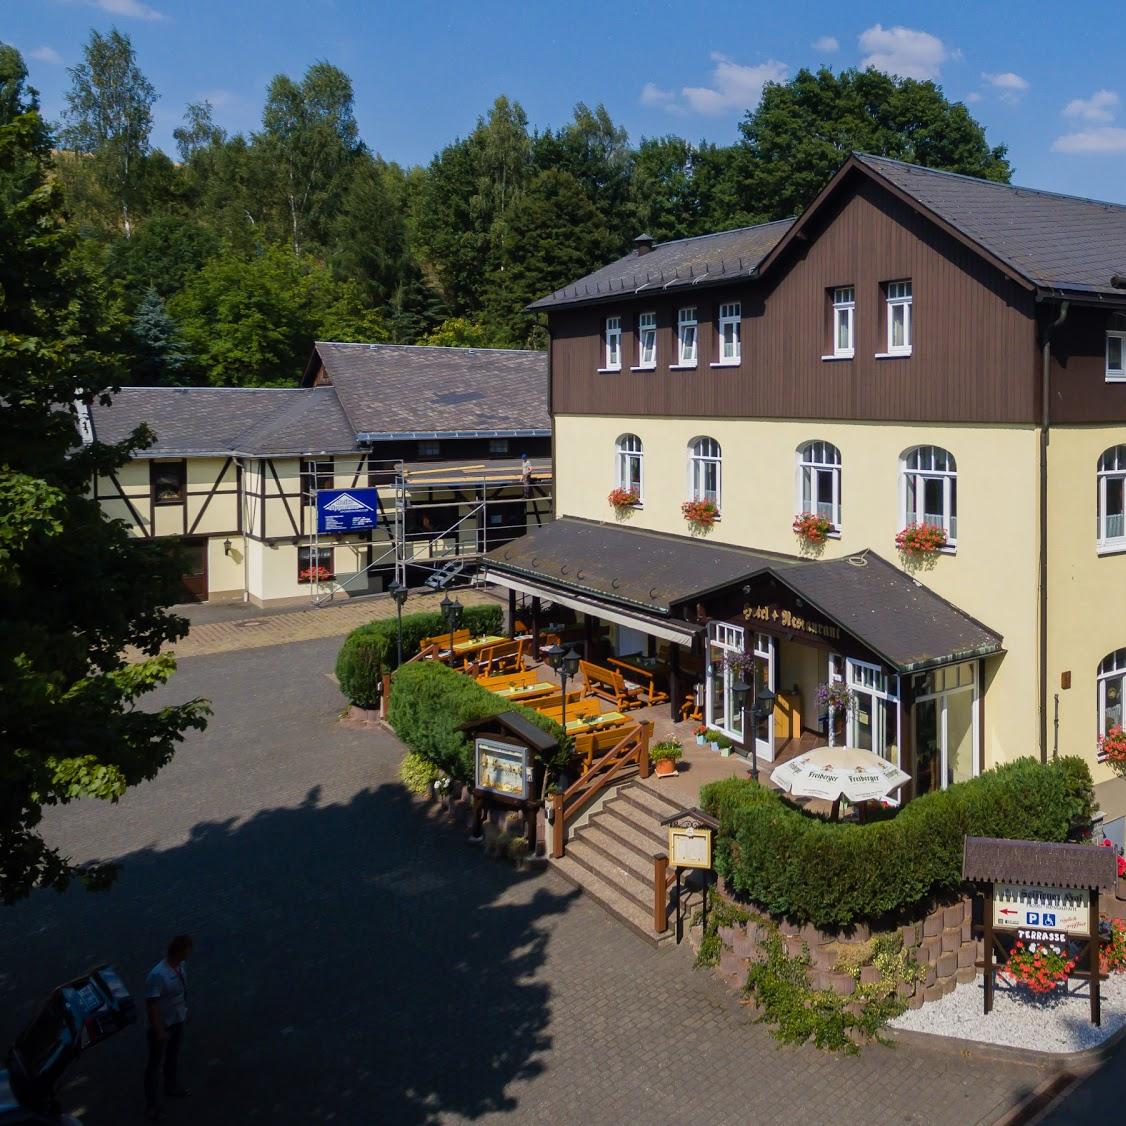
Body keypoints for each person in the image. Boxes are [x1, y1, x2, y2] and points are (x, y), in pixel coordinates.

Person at [144, 934, 192, 1120]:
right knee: (154, 1065)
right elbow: (152, 1004)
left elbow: (181, 992)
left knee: (172, 1056)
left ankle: (170, 1086)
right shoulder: (158, 975)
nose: (189, 954)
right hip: (163, 1025)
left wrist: (185, 1012)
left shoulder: (180, 966)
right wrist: (159, 1030)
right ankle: (151, 1105)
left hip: (177, 1020)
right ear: (179, 952)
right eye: (187, 950)